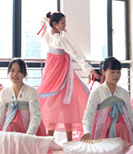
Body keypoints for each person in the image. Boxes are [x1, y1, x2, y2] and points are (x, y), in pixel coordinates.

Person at [37, 11, 100, 141]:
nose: (65, 26)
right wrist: (89, 69)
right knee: (67, 104)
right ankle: (68, 139)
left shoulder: (47, 36)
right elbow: (76, 54)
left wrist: (47, 20)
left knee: (53, 104)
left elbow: (42, 22)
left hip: (51, 73)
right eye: (63, 23)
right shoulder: (60, 39)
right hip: (60, 74)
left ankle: (50, 138)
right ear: (55, 24)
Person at [81, 57, 133, 144]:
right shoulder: (97, 92)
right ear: (103, 72)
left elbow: (131, 116)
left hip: (123, 134)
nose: (116, 75)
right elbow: (89, 114)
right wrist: (87, 132)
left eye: (118, 72)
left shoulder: (124, 93)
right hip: (103, 133)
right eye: (112, 72)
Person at [0, 58, 46, 136]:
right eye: (12, 71)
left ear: (24, 74)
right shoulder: (4, 93)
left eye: (19, 71)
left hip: (28, 134)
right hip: (9, 134)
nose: (15, 74)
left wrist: (29, 135)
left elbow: (35, 116)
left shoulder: (31, 91)